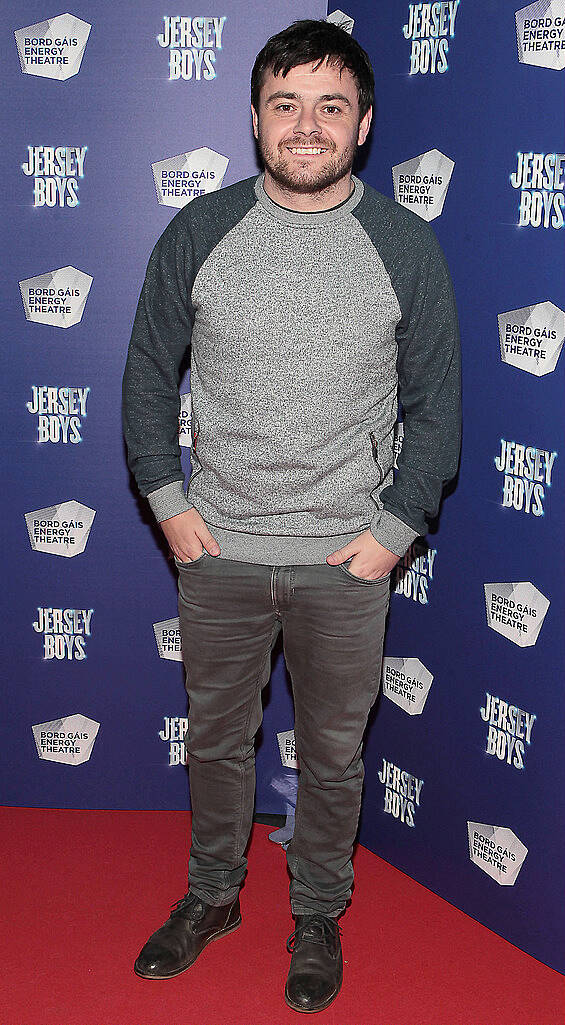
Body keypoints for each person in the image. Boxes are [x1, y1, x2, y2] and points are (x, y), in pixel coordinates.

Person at [122, 18, 461, 1014]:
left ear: (361, 126)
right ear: (256, 119)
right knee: (216, 739)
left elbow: (436, 401)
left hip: (345, 561)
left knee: (333, 750)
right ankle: (212, 895)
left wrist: (391, 532)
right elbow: (148, 372)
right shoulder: (201, 229)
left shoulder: (402, 242)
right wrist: (169, 503)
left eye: (328, 106)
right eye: (285, 104)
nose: (305, 126)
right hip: (217, 548)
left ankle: (316, 911)